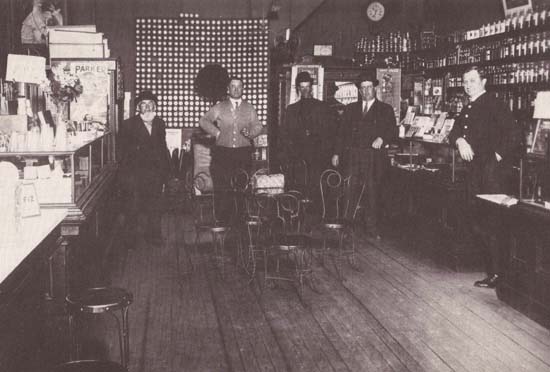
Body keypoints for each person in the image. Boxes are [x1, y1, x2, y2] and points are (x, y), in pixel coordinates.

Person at [448, 66, 519, 289]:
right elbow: (455, 132)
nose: (468, 85)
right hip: (475, 174)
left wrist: (495, 157)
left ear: (483, 82)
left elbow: (514, 135)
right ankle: (494, 271)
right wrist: (460, 141)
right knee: (478, 221)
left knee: (492, 223)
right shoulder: (467, 107)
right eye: (465, 81)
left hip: (492, 175)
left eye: (472, 81)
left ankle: (499, 273)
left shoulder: (494, 103)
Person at [332, 70, 397, 239]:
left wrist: (382, 138)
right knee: (349, 190)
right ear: (359, 91)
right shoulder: (351, 109)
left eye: (369, 87)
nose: (366, 91)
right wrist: (337, 153)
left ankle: (372, 227)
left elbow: (392, 131)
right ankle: (346, 226)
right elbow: (340, 133)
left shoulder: (385, 109)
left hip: (373, 157)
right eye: (363, 88)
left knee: (372, 191)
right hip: (353, 156)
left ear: (375, 89)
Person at [199, 77, 263, 222]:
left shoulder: (249, 108)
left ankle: (239, 219)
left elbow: (258, 125)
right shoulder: (220, 107)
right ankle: (223, 220)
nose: (236, 89)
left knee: (241, 185)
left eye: (239, 86)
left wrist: (251, 133)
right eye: (233, 86)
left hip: (243, 153)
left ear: (243, 89)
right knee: (223, 186)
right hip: (222, 153)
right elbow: (203, 121)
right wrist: (216, 133)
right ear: (228, 89)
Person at [118, 91, 171, 247]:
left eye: (151, 105)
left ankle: (154, 236)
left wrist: (166, 171)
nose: (147, 108)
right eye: (144, 105)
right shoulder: (128, 125)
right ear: (138, 108)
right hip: (135, 173)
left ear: (155, 107)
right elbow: (123, 151)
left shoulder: (160, 123)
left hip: (155, 173)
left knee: (155, 207)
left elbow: (162, 147)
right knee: (132, 207)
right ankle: (131, 240)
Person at [279, 71, 335, 206]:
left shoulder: (322, 107)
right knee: (299, 192)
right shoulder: (291, 110)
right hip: (298, 158)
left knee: (317, 192)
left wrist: (325, 153)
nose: (305, 90)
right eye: (302, 87)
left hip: (318, 157)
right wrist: (290, 156)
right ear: (298, 88)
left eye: (307, 87)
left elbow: (329, 133)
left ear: (311, 88)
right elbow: (285, 135)